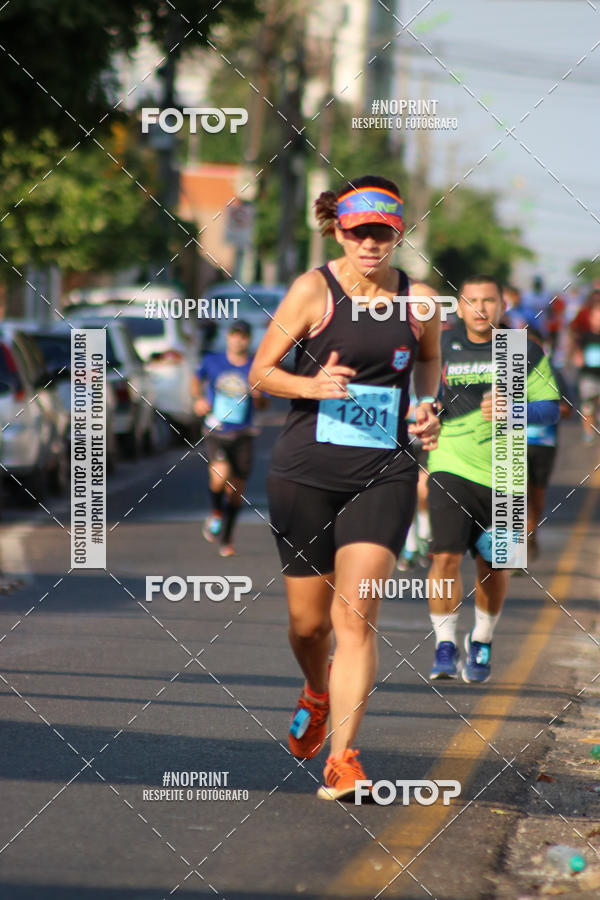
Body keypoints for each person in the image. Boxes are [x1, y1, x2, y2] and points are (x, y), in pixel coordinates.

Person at [250, 175, 441, 800]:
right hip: (304, 474)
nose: (369, 244)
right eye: (358, 232)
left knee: (355, 615)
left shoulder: (420, 303)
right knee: (309, 626)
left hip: (383, 472)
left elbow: (431, 362)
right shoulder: (313, 290)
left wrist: (428, 406)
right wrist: (311, 386)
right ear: (338, 229)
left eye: (381, 234)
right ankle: (315, 689)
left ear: (397, 235)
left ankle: (344, 759)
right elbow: (261, 373)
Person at [425, 275, 560, 683]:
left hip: (506, 469)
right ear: (460, 307)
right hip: (450, 464)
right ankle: (445, 644)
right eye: (472, 300)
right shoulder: (441, 347)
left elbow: (551, 409)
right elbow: (422, 399)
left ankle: (481, 639)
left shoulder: (521, 350)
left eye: (489, 300)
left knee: (494, 566)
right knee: (444, 557)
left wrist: (513, 411)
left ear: (502, 305)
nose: (480, 308)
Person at [192, 320, 265, 557]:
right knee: (220, 474)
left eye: (243, 336)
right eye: (234, 335)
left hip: (244, 433)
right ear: (227, 338)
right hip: (218, 430)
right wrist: (199, 399)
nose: (238, 340)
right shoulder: (213, 361)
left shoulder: (255, 366)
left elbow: (265, 403)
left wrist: (257, 397)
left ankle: (227, 536)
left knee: (236, 490)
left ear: (248, 339)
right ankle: (215, 513)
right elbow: (196, 379)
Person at [525, 328, 573, 562]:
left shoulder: (552, 373)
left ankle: (531, 532)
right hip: (513, 443)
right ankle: (517, 546)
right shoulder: (503, 372)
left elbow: (566, 410)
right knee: (513, 494)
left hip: (543, 443)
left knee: (536, 495)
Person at [571, 296, 600, 442]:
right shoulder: (585, 337)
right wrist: (579, 358)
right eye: (596, 317)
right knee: (588, 407)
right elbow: (577, 354)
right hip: (588, 376)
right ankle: (588, 433)